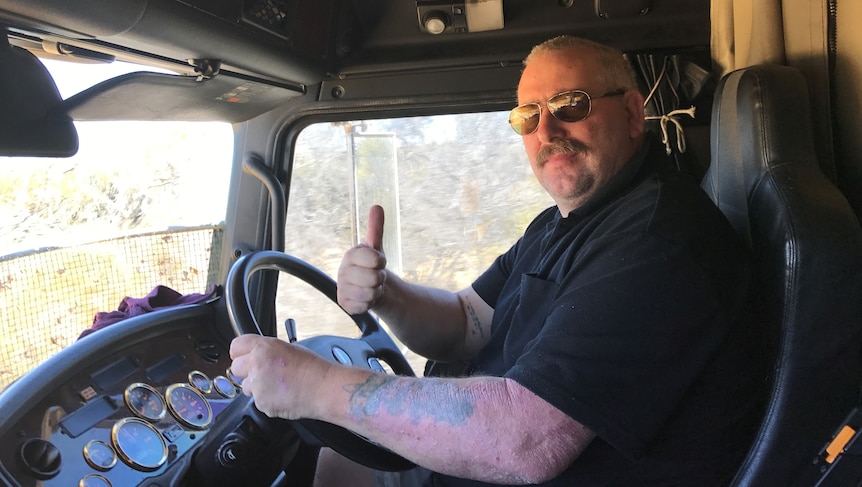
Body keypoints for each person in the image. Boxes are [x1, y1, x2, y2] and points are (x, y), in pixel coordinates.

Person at [229, 36, 766, 486]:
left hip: (520, 459)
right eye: (528, 117)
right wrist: (387, 293)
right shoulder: (563, 222)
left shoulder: (656, 241)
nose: (547, 133)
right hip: (483, 458)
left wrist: (317, 387)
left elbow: (524, 439)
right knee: (338, 459)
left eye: (570, 106)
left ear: (631, 112)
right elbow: (467, 321)